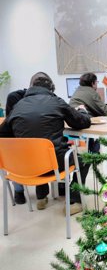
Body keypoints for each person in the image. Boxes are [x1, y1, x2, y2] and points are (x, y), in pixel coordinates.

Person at [0, 74, 91, 215]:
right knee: (85, 159)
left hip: (25, 167)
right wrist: (83, 111)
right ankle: (75, 200)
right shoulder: (57, 102)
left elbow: (3, 134)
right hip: (55, 164)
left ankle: (41, 197)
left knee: (34, 154)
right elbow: (82, 122)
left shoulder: (17, 106)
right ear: (51, 89)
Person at [4, 72, 53, 205]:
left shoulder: (47, 98)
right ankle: (19, 191)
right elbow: (10, 126)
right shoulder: (15, 98)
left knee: (39, 148)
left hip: (27, 147)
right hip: (18, 143)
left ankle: (41, 195)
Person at [69, 72, 107, 152]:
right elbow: (105, 111)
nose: (97, 85)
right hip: (83, 122)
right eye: (96, 82)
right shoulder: (92, 92)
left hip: (72, 122)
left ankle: (92, 150)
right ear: (92, 83)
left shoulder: (78, 90)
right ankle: (98, 152)